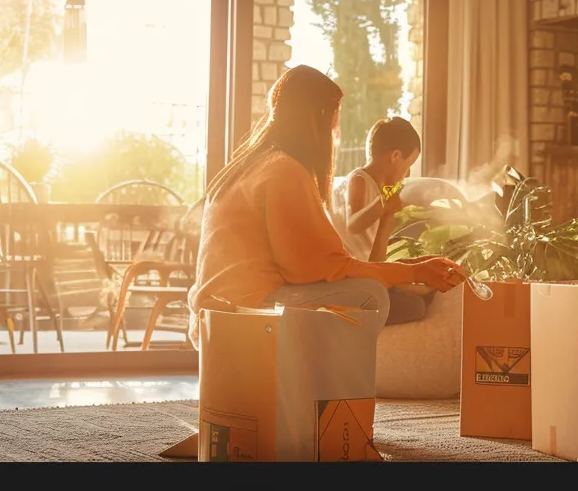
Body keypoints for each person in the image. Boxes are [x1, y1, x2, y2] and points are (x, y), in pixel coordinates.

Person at [187, 66, 467, 350]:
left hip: (216, 313)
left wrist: (412, 268)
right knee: (370, 295)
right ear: (316, 117)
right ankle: (332, 387)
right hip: (244, 311)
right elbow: (316, 269)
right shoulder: (284, 171)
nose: (336, 130)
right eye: (335, 117)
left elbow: (315, 265)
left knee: (383, 294)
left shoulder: (251, 166)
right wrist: (416, 272)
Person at [330, 116, 438, 325]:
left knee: (425, 294)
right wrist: (383, 206)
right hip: (346, 281)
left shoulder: (381, 193)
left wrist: (387, 221)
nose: (407, 174)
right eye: (409, 166)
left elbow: (375, 263)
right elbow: (353, 224)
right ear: (396, 156)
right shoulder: (359, 179)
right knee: (414, 305)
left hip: (366, 277)